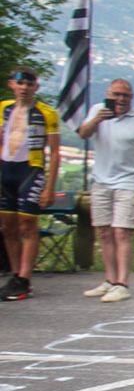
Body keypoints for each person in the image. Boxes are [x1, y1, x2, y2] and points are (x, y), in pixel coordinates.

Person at [75, 78, 134, 304]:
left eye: (125, 96)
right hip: (100, 181)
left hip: (128, 182)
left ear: (132, 98)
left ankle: (122, 284)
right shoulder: (97, 111)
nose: (120, 99)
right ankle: (110, 280)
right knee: (103, 231)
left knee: (122, 231)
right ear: (108, 95)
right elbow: (83, 133)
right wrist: (97, 119)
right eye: (116, 95)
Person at [2, 67, 61, 301]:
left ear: (36, 87)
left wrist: (50, 187)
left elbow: (55, 152)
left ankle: (25, 278)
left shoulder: (46, 113)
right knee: (8, 227)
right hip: (6, 169)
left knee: (28, 224)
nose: (25, 88)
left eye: (29, 84)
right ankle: (15, 275)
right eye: (21, 83)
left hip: (30, 170)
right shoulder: (3, 108)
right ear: (12, 84)